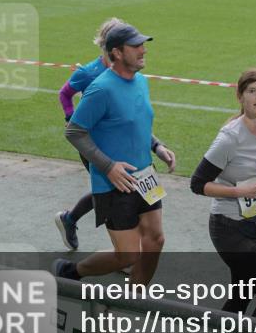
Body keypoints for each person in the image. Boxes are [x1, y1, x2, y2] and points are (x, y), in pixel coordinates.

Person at [54, 23, 176, 286]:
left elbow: (135, 122)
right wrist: (108, 167)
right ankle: (71, 272)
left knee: (155, 240)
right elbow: (74, 131)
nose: (143, 50)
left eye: (143, 45)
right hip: (114, 183)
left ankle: (135, 297)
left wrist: (157, 146)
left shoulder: (141, 82)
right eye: (136, 46)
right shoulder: (101, 89)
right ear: (117, 53)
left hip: (146, 175)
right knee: (127, 255)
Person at [189, 69, 256, 317]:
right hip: (228, 227)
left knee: (241, 297)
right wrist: (238, 191)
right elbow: (197, 183)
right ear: (240, 96)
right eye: (252, 91)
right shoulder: (229, 138)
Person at [54, 17, 124, 251]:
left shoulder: (125, 71)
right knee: (111, 191)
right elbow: (64, 94)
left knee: (112, 189)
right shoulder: (88, 72)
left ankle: (69, 219)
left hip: (117, 141)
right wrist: (70, 118)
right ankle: (122, 251)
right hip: (91, 143)